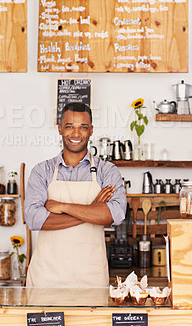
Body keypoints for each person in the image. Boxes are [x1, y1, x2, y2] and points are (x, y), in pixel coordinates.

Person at [25, 102, 127, 288]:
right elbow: (34, 219)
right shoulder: (42, 171)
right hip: (45, 278)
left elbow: (116, 214)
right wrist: (93, 210)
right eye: (69, 126)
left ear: (91, 130)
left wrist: (63, 207)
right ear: (60, 129)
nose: (76, 134)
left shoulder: (107, 171)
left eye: (83, 127)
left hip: (91, 278)